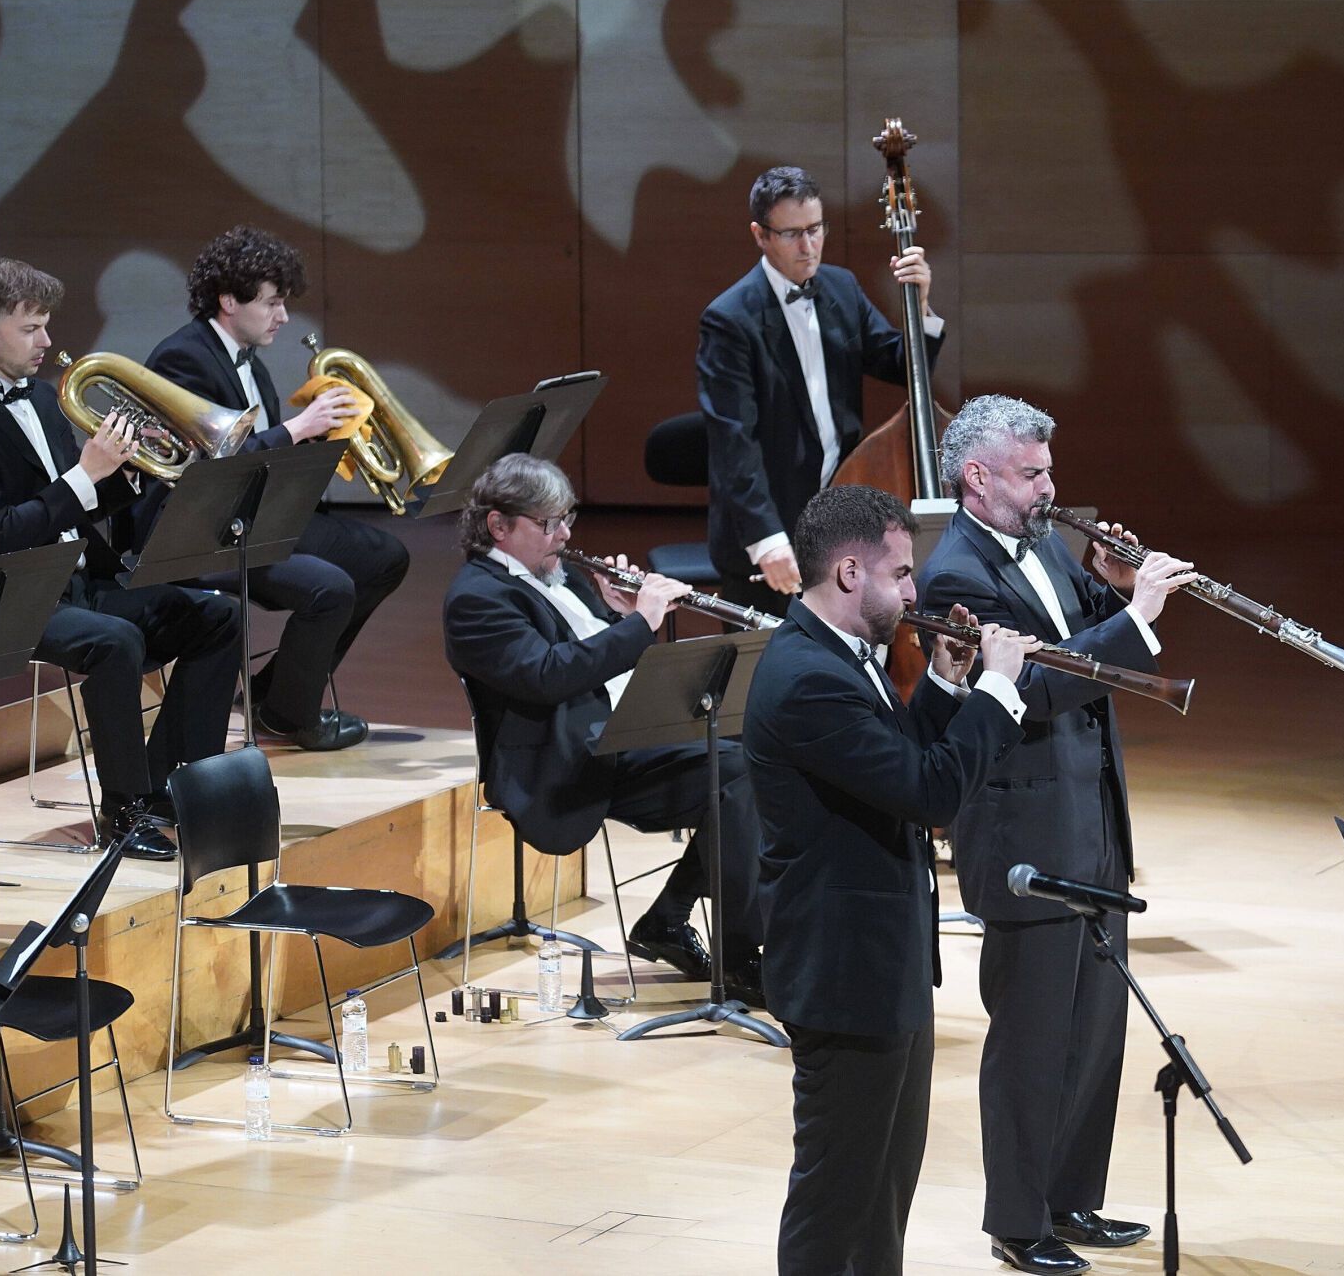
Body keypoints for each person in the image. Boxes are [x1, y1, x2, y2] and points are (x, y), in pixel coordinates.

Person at [917, 395, 1196, 1273]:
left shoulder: (1038, 540)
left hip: (1091, 813)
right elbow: (1033, 690)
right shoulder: (955, 576)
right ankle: (1017, 1219)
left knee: (1095, 1025)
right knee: (1032, 1038)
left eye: (1048, 470)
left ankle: (1071, 1196)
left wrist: (1110, 583)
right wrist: (1139, 616)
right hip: (1025, 834)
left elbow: (1076, 625)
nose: (1049, 487)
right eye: (1031, 473)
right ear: (978, 477)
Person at [747, 483, 1030, 1276]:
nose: (914, 593)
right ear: (849, 572)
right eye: (902, 573)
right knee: (837, 1197)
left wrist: (942, 684)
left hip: (883, 962)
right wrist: (998, 690)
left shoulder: (841, 656)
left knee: (882, 1195)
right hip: (844, 973)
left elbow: (895, 764)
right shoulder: (808, 675)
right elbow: (929, 794)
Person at [0, 258, 240, 861]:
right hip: (12, 601)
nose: (46, 340)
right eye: (30, 328)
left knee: (219, 616)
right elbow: (0, 535)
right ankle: (124, 812)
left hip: (82, 581)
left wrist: (136, 470)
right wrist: (86, 474)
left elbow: (79, 503)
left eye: (46, 325)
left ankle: (171, 784)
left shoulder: (44, 399)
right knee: (115, 642)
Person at [441, 454, 767, 1000]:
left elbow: (595, 652)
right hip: (569, 763)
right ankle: (734, 955)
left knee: (756, 754)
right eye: (549, 523)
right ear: (498, 525)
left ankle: (671, 921)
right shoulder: (478, 599)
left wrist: (618, 612)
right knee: (738, 775)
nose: (565, 535)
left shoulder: (559, 576)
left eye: (567, 518)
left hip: (623, 736)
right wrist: (640, 622)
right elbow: (549, 676)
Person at [143, 224, 407, 751]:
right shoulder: (183, 359)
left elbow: (267, 464)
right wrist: (297, 428)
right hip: (199, 535)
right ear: (228, 301)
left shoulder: (253, 365)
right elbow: (206, 471)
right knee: (329, 588)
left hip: (253, 518)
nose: (283, 316)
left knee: (385, 558)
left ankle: (274, 693)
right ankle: (290, 716)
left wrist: (325, 440)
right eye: (272, 303)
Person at [699, 165, 945, 619]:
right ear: (760, 235)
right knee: (769, 657)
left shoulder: (841, 288)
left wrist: (921, 304)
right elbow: (734, 443)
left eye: (815, 229)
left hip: (838, 517)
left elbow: (900, 366)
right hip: (772, 529)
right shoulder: (729, 320)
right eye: (791, 234)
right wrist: (767, 540)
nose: (808, 246)